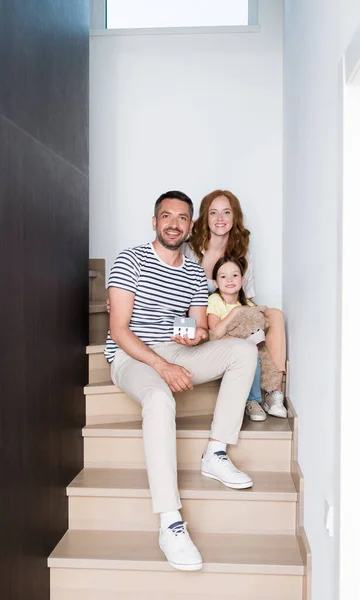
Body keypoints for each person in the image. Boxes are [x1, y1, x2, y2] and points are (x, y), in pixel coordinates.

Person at [105, 191, 258, 572]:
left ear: (191, 226)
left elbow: (199, 324)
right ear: (155, 222)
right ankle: (170, 522)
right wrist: (161, 365)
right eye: (166, 216)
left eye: (182, 217)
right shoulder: (130, 260)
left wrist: (196, 336)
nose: (174, 223)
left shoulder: (192, 270)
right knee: (159, 399)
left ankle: (216, 452)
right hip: (132, 354)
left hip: (174, 350)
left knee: (244, 351)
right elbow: (119, 330)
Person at [183, 189, 287, 418]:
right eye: (213, 213)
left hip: (232, 311)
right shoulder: (190, 248)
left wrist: (250, 319)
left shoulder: (242, 248)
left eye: (226, 212)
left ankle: (273, 391)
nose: (220, 219)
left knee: (276, 315)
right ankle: (250, 397)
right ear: (205, 217)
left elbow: (246, 294)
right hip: (203, 318)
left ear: (234, 217)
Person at [207, 256, 268, 422]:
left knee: (255, 353)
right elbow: (216, 332)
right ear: (215, 283)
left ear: (243, 280)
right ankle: (251, 400)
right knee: (246, 353)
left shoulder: (248, 304)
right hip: (221, 350)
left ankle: (255, 400)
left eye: (234, 275)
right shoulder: (214, 300)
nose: (229, 280)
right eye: (223, 276)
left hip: (246, 348)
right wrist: (234, 313)